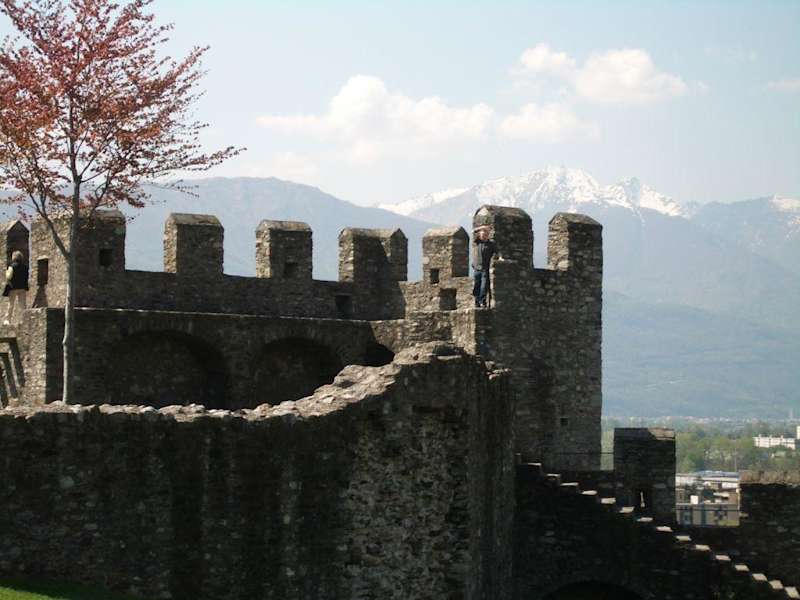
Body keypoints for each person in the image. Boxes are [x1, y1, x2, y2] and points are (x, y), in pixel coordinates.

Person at [472, 225, 496, 308]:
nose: (483, 236)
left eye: (485, 234)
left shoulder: (491, 244)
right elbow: (473, 231)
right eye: (481, 235)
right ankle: (477, 302)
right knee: (476, 286)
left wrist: (500, 258)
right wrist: (482, 227)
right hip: (476, 268)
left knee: (484, 286)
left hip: (485, 269)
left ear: (487, 235)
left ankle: (482, 301)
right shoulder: (477, 242)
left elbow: (497, 252)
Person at [4, 250, 29, 326]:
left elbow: (8, 277)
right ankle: (24, 320)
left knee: (11, 304)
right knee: (23, 305)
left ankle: (7, 320)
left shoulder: (12, 267)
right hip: (22, 288)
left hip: (13, 287)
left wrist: (6, 272)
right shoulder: (25, 267)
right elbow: (26, 277)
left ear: (13, 257)